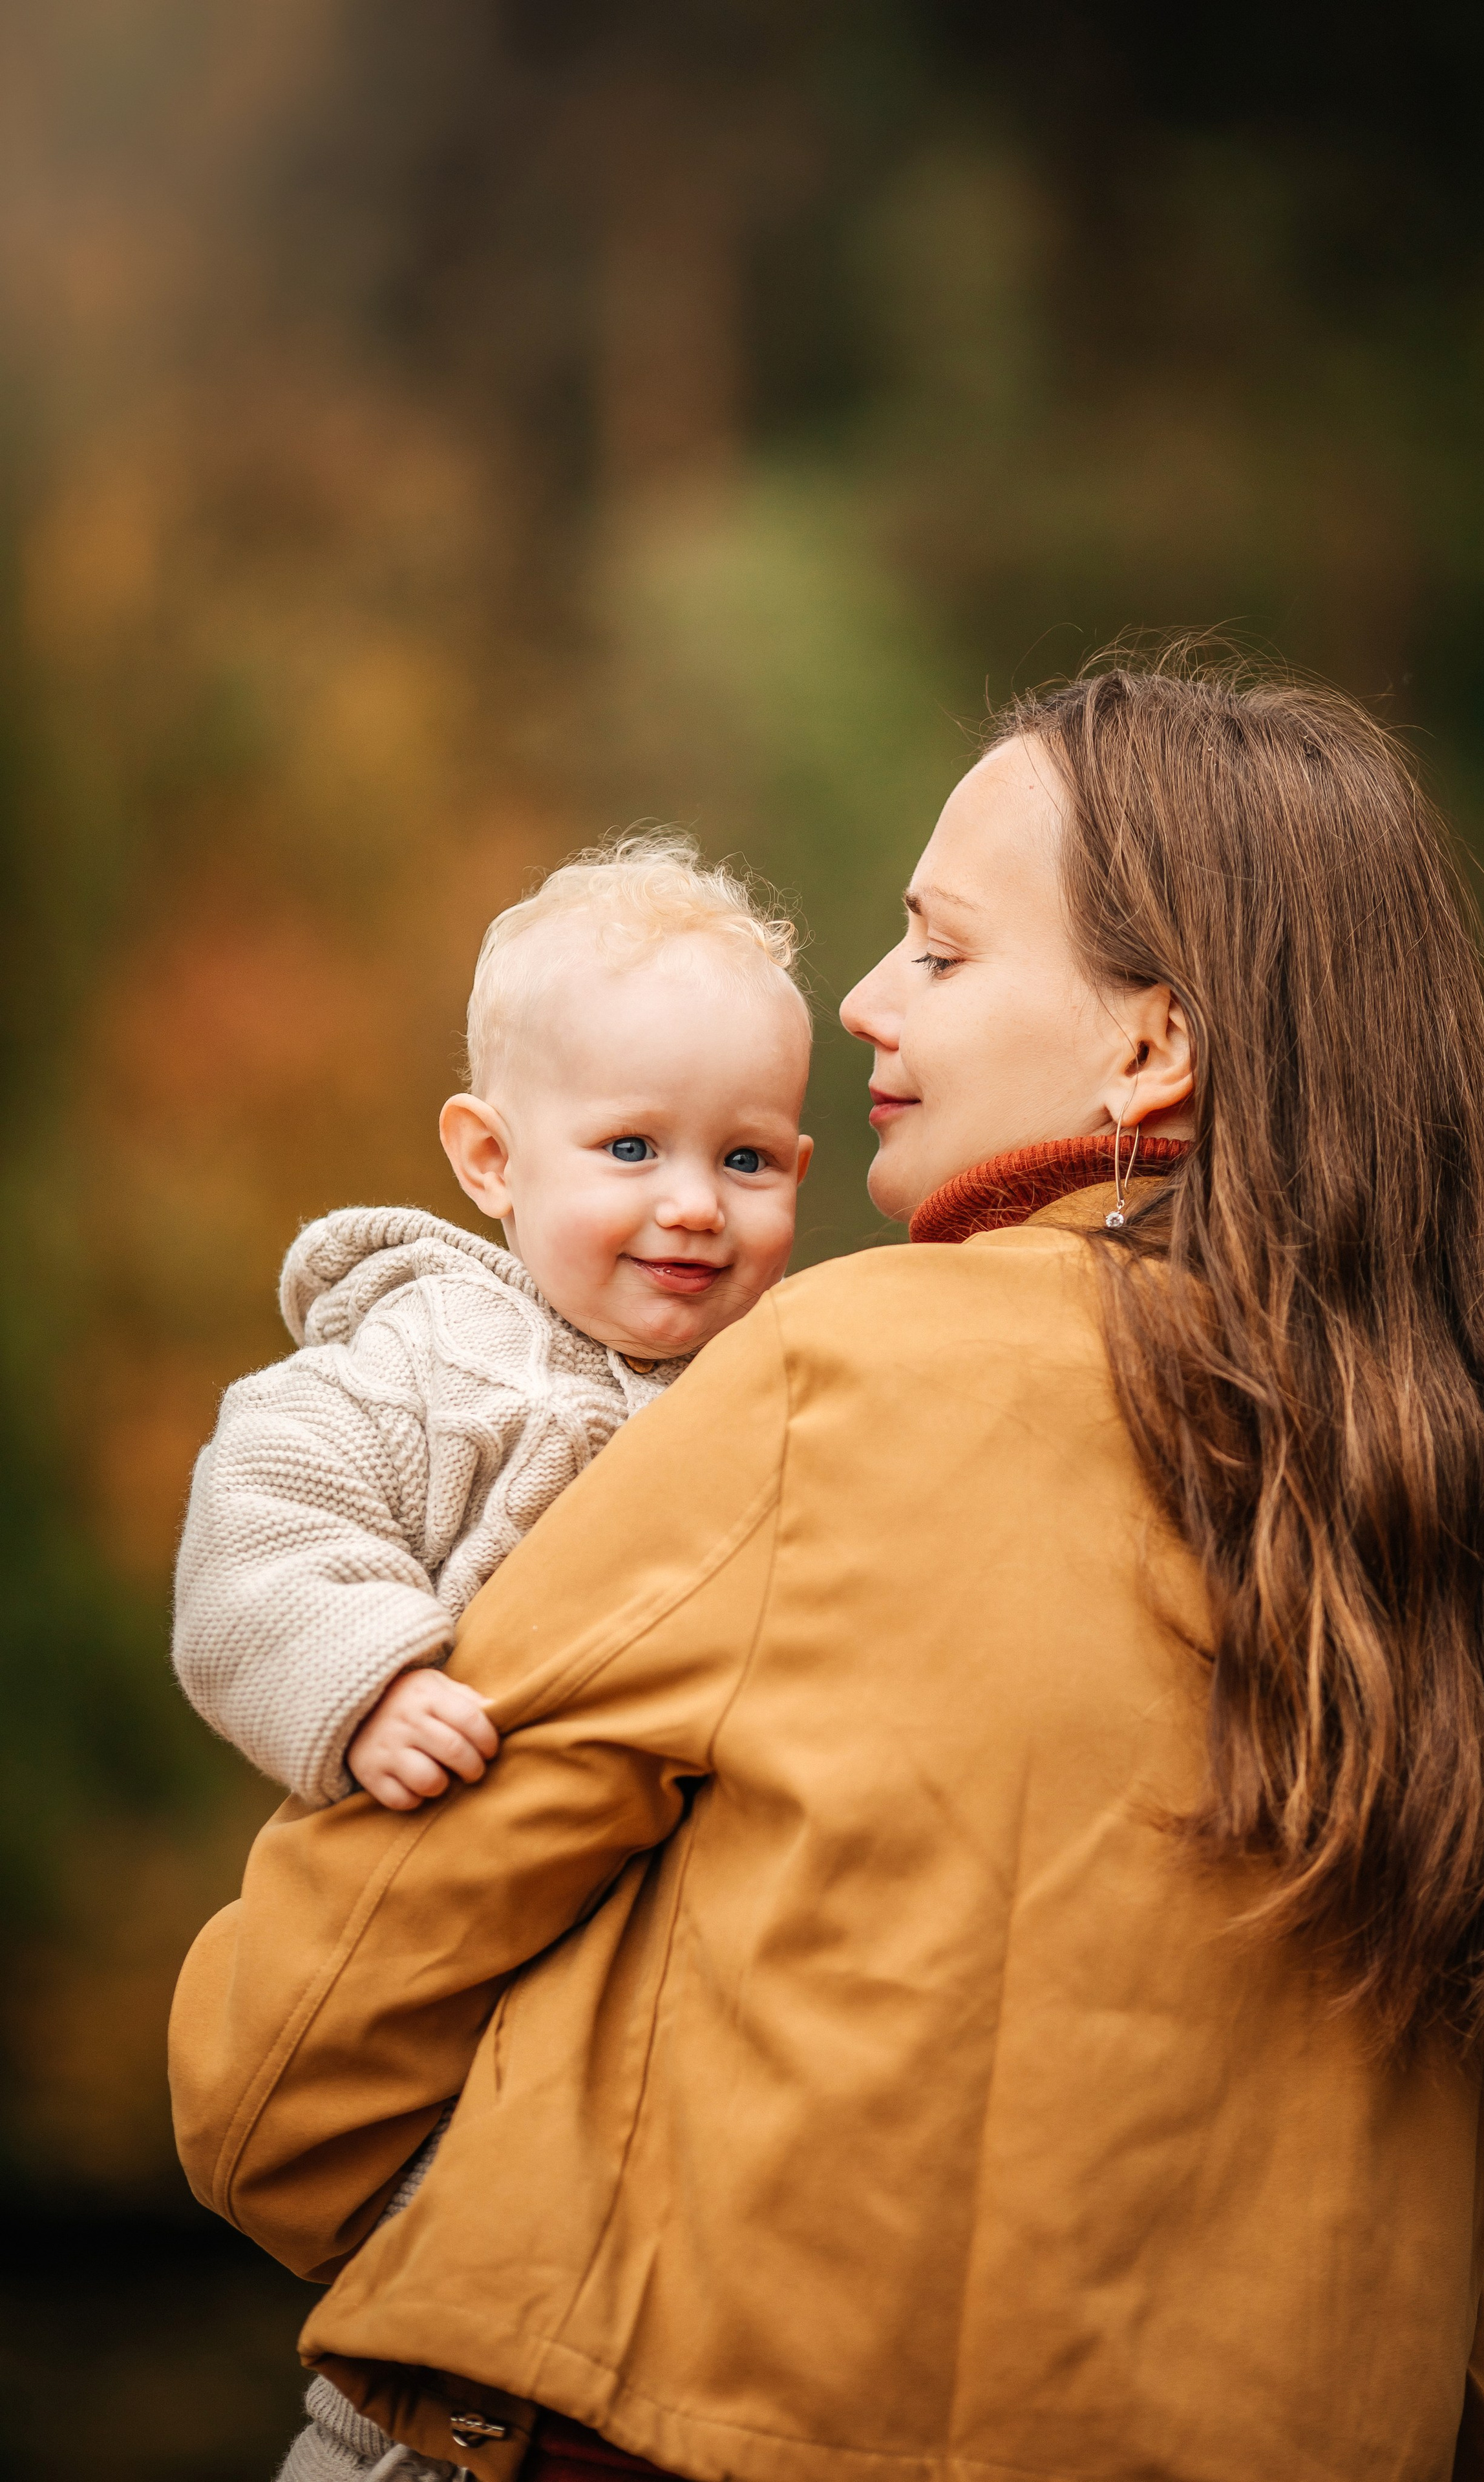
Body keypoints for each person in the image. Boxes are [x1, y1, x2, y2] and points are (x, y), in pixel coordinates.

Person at [171, 658, 1484, 2482]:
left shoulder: (836, 1378)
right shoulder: (1448, 1511)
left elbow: (283, 2069)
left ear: (1150, 1045)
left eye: (941, 954)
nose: (864, 1002)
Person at [171, 831, 813, 2479]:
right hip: (430, 1867)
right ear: (487, 1157)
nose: (692, 1206)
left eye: (748, 1163)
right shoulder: (428, 1355)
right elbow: (264, 1515)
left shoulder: (779, 1390)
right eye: (628, 1147)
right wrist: (369, 1679)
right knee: (436, 2299)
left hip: (652, 1979)